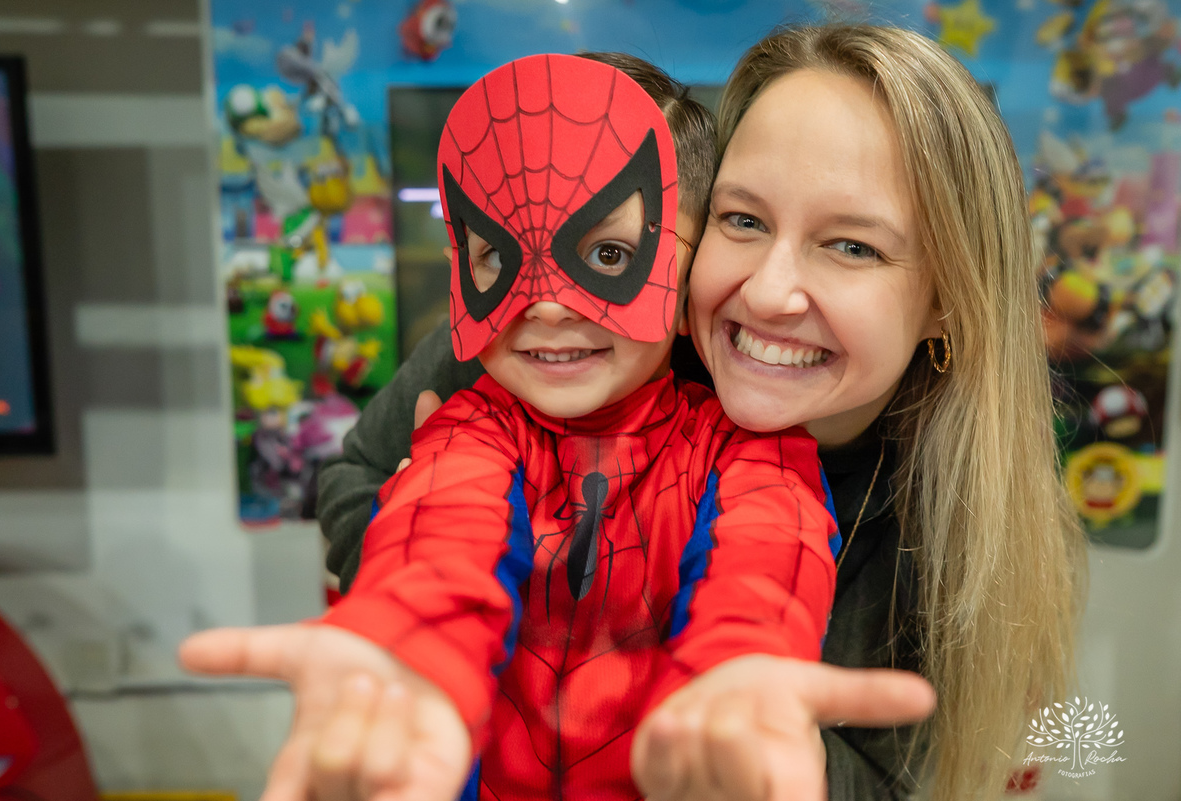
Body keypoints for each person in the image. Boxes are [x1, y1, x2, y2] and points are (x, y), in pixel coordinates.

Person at [314, 24, 1086, 801]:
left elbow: (883, 773)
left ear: (947, 302)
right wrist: (433, 540)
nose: (766, 292)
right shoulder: (552, 344)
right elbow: (358, 483)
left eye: (852, 246)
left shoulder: (962, 528)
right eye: (743, 220)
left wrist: (741, 719)